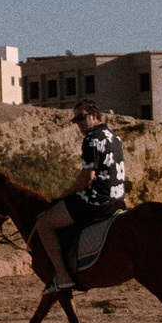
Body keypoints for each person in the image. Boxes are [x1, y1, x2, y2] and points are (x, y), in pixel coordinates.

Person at [34, 100, 125, 295]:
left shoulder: (92, 138)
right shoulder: (114, 136)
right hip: (118, 197)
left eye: (81, 118)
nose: (78, 123)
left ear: (94, 115)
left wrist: (67, 192)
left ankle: (62, 276)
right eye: (75, 119)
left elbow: (87, 177)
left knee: (44, 223)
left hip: (97, 199)